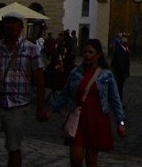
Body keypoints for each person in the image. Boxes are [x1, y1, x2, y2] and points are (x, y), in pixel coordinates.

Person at [0, 13, 49, 167]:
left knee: (13, 148)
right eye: (7, 22)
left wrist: (41, 107)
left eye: (14, 23)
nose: (10, 26)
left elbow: (39, 79)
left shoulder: (31, 49)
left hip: (18, 105)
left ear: (21, 27)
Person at [51, 38, 127, 167]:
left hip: (97, 119)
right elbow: (65, 93)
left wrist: (120, 122)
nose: (87, 54)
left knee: (91, 160)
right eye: (85, 51)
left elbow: (115, 99)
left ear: (98, 55)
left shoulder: (106, 75)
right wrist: (52, 109)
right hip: (78, 118)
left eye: (91, 52)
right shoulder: (75, 73)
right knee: (76, 157)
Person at [109, 34, 130, 101]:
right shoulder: (120, 50)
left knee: (119, 88)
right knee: (118, 88)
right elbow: (121, 63)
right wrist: (123, 73)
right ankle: (118, 102)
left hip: (119, 73)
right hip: (118, 73)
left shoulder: (122, 50)